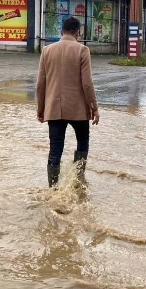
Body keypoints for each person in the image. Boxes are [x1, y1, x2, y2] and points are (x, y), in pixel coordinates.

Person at [36, 17, 100, 188]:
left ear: (61, 31)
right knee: (82, 142)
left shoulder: (47, 51)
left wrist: (41, 108)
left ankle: (53, 189)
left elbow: (40, 84)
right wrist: (94, 107)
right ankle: (78, 181)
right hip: (78, 109)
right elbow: (87, 83)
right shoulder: (82, 50)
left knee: (55, 149)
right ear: (77, 32)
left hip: (54, 109)